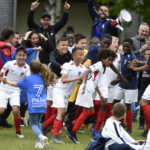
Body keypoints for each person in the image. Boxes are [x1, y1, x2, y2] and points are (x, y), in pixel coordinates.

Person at [2, 60, 57, 149]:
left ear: (30, 69)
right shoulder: (43, 77)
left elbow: (15, 84)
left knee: (33, 123)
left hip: (34, 104)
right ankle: (39, 143)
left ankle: (41, 136)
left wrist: (6, 81)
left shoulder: (28, 79)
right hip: (42, 104)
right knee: (38, 122)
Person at [66, 49, 117, 144]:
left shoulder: (102, 67)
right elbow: (87, 71)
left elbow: (95, 83)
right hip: (86, 90)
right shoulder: (98, 65)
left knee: (90, 112)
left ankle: (72, 128)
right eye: (108, 59)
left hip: (89, 90)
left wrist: (100, 94)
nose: (109, 62)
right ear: (102, 58)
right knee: (88, 112)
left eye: (111, 60)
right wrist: (84, 85)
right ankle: (72, 131)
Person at [50, 47, 86, 144]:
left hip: (67, 94)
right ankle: (55, 136)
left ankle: (45, 126)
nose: (82, 56)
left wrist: (82, 84)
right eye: (80, 54)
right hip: (59, 90)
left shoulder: (83, 69)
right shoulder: (67, 65)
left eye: (83, 55)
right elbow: (63, 80)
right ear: (74, 56)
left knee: (60, 113)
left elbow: (82, 80)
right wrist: (78, 78)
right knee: (61, 112)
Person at [0, 47, 30, 138]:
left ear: (26, 56)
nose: (21, 57)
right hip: (3, 88)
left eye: (23, 55)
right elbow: (1, 73)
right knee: (1, 111)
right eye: (19, 55)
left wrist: (28, 97)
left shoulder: (27, 68)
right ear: (15, 56)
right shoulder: (9, 64)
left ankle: (18, 132)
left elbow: (26, 82)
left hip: (16, 90)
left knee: (16, 110)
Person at [113, 39, 138, 134]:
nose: (126, 48)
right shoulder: (122, 55)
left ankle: (129, 128)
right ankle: (119, 122)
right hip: (122, 84)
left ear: (131, 47)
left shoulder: (132, 58)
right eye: (124, 46)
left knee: (127, 106)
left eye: (128, 47)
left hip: (131, 86)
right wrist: (120, 80)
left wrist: (118, 79)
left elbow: (131, 74)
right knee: (115, 102)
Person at [0, 27, 15, 128]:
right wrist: (5, 44)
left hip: (8, 78)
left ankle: (2, 120)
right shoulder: (2, 45)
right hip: (1, 76)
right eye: (13, 37)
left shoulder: (11, 48)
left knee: (10, 101)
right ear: (10, 36)